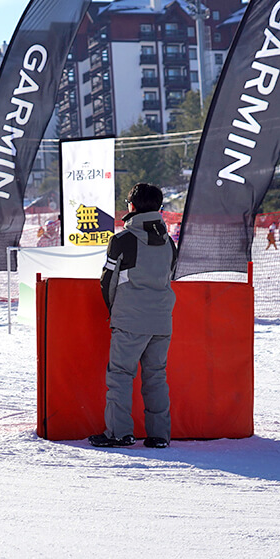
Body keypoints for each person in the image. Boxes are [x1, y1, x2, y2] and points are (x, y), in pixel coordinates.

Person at [90, 183, 176, 449]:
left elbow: (107, 281)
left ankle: (119, 433)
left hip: (129, 319)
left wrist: (114, 311)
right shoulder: (169, 242)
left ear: (132, 207)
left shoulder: (121, 240)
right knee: (156, 376)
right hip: (162, 320)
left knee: (120, 375)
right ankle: (159, 435)